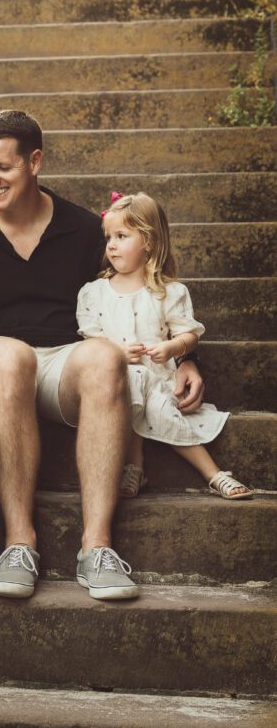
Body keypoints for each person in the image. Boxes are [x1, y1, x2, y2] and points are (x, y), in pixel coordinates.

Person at [0, 109, 205, 602]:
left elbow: (139, 294)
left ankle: (96, 547)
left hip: (65, 364)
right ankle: (19, 544)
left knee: (101, 357)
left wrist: (182, 358)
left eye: (3, 167)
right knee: (11, 356)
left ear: (34, 162)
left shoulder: (83, 229)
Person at [78, 191, 252, 501]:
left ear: (149, 242)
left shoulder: (168, 291)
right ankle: (145, 466)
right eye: (109, 237)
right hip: (116, 381)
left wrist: (172, 349)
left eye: (121, 236)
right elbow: (90, 341)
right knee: (130, 383)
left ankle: (207, 473)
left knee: (152, 399)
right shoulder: (94, 293)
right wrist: (117, 353)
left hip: (160, 379)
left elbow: (189, 335)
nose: (111, 245)